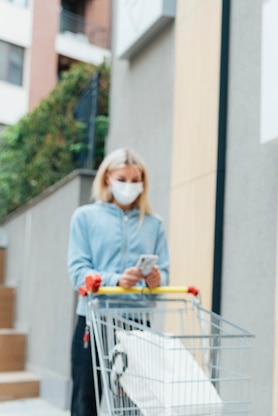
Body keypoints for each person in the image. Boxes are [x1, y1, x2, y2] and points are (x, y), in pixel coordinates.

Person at [67, 148, 170, 415]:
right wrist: (116, 280)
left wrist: (156, 280)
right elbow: (78, 271)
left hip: (136, 324)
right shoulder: (85, 217)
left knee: (133, 406)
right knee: (84, 402)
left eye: (136, 180)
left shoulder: (154, 224)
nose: (129, 186)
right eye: (122, 179)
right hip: (93, 321)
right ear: (107, 179)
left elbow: (164, 275)